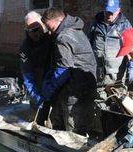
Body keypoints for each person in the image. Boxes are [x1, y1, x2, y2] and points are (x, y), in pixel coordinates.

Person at [40, 7, 97, 136]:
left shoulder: (63, 37)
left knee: (74, 129)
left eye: (51, 28)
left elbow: (63, 69)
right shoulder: (76, 30)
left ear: (59, 20)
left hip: (76, 89)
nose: (49, 32)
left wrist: (49, 88)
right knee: (82, 122)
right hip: (89, 85)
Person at [88, 0, 133, 101]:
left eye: (112, 13)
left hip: (117, 75)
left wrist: (132, 66)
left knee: (117, 104)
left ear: (118, 10)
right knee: (99, 103)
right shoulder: (96, 24)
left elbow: (132, 48)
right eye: (107, 12)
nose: (109, 15)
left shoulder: (125, 26)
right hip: (99, 73)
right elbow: (89, 44)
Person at [19, 11, 52, 125]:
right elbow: (26, 73)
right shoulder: (25, 47)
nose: (34, 33)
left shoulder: (53, 40)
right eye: (30, 31)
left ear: (43, 25)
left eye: (36, 29)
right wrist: (34, 93)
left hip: (53, 84)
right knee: (37, 119)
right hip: (36, 85)